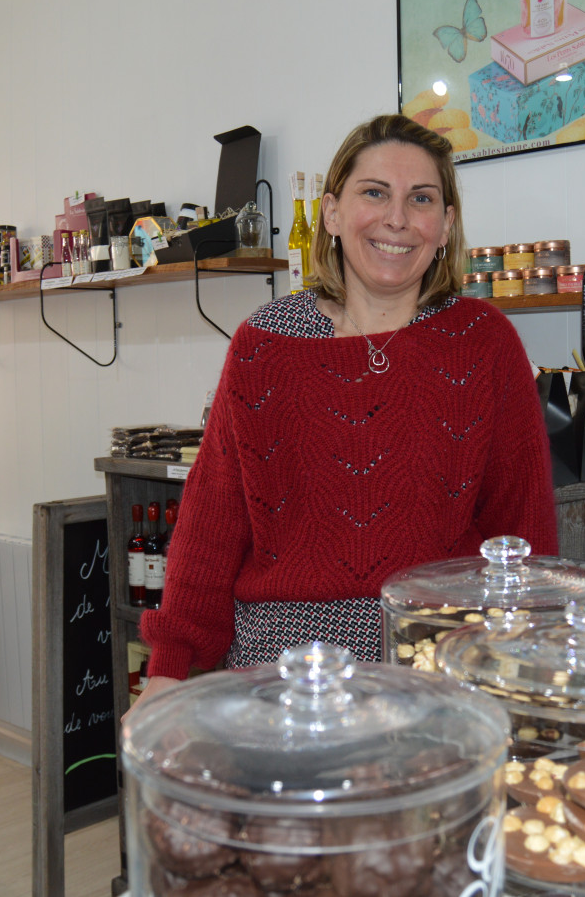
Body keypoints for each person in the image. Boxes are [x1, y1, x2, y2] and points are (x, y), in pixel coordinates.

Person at [132, 113, 557, 711]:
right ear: (331, 213)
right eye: (374, 193)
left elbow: (525, 529)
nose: (397, 219)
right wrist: (168, 671)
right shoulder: (266, 342)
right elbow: (212, 521)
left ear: (447, 224)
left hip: (439, 657)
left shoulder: (484, 342)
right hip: (284, 666)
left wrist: (528, 653)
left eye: (422, 199)